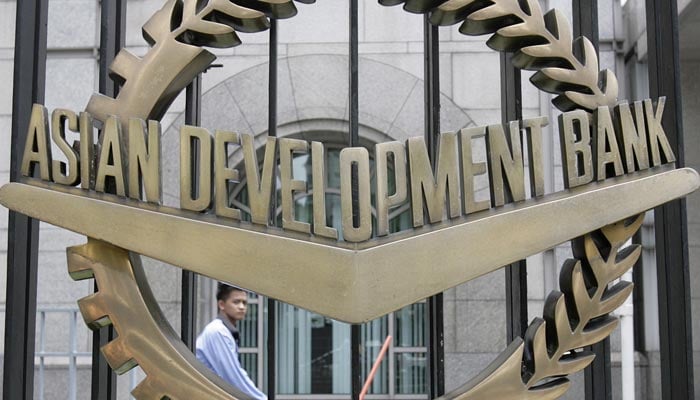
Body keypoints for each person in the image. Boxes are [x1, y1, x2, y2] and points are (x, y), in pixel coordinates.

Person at [196, 283, 267, 400]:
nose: (241, 307)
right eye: (236, 302)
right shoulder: (217, 332)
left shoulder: (223, 331)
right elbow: (234, 377)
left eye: (244, 303)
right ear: (221, 305)